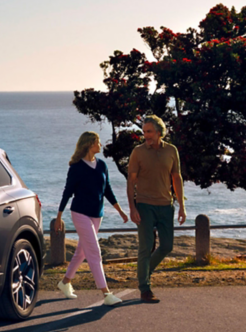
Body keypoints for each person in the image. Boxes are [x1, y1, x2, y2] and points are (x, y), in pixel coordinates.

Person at [55, 131, 129, 306]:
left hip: (97, 214)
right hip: (80, 213)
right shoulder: (76, 167)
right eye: (98, 142)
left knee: (81, 251)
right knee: (94, 252)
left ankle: (65, 283)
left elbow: (107, 190)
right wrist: (59, 216)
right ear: (89, 144)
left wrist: (120, 210)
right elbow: (67, 192)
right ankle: (106, 293)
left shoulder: (102, 165)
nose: (100, 145)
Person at [127, 114, 186, 303]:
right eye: (144, 132)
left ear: (159, 132)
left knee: (167, 246)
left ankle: (145, 270)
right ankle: (145, 288)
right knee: (145, 247)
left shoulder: (171, 150)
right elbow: (131, 181)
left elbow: (176, 178)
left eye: (149, 132)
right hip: (144, 205)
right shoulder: (138, 152)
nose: (146, 135)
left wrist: (181, 207)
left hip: (165, 205)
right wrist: (132, 207)